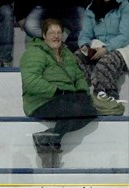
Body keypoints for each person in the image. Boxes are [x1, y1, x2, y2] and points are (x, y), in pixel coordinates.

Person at [20, 17, 97, 159]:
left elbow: (79, 76)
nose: (56, 36)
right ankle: (51, 142)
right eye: (51, 33)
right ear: (44, 35)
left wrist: (81, 91)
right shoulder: (34, 53)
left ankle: (49, 137)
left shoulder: (67, 54)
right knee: (75, 109)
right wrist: (57, 91)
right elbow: (31, 81)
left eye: (59, 33)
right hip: (41, 102)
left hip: (67, 99)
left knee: (91, 111)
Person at [74, 0, 129, 111]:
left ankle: (106, 100)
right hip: (98, 45)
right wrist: (84, 45)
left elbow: (125, 36)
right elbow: (85, 34)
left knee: (105, 63)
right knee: (77, 57)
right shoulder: (91, 8)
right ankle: (79, 95)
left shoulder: (125, 6)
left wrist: (106, 49)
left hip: (121, 46)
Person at [21, 0, 86, 51]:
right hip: (43, 4)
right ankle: (56, 44)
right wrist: (20, 15)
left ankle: (64, 52)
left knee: (85, 29)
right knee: (30, 26)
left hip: (73, 5)